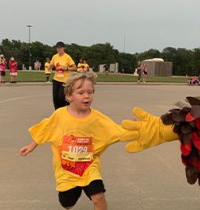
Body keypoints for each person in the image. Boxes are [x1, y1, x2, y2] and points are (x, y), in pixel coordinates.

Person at [19, 72, 125, 210]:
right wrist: (32, 145)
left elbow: (114, 130)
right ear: (69, 96)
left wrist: (132, 130)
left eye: (90, 92)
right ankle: (72, 194)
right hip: (66, 169)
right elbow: (46, 129)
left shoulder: (97, 118)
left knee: (98, 196)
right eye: (81, 93)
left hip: (88, 166)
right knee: (67, 203)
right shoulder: (60, 115)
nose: (86, 96)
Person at [47, 41, 77, 110]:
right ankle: (57, 111)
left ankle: (66, 108)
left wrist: (66, 68)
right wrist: (49, 67)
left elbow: (74, 67)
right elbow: (51, 64)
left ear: (63, 48)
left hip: (64, 80)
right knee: (55, 97)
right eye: (57, 48)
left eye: (60, 48)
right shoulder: (55, 56)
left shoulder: (67, 57)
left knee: (61, 97)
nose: (58, 49)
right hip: (56, 79)